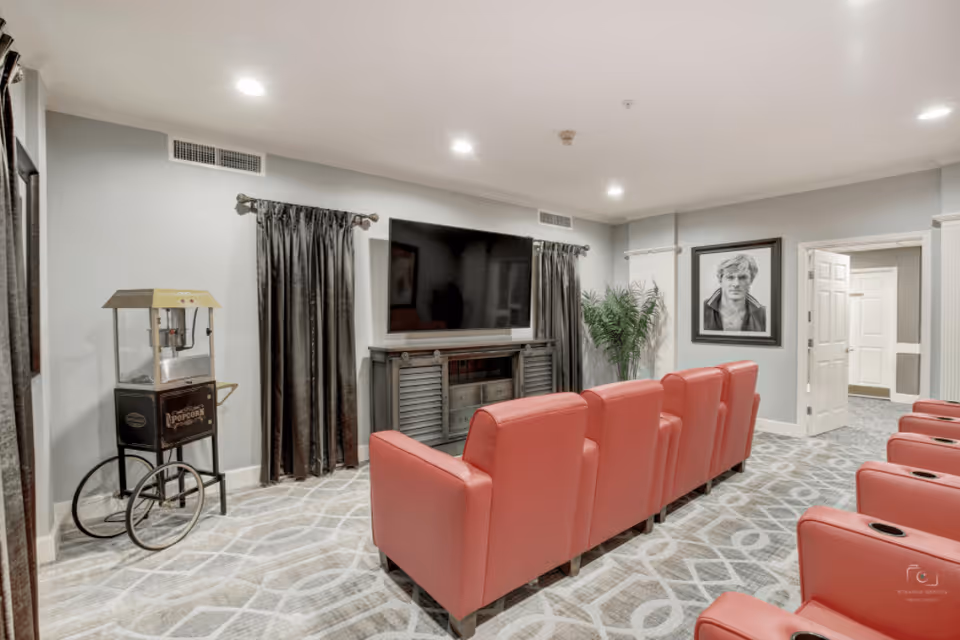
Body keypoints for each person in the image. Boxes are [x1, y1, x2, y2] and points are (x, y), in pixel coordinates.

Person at [703, 254, 766, 332]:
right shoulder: (701, 309)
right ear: (720, 280)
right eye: (730, 277)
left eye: (743, 277)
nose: (736, 284)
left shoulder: (763, 314)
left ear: (751, 280)